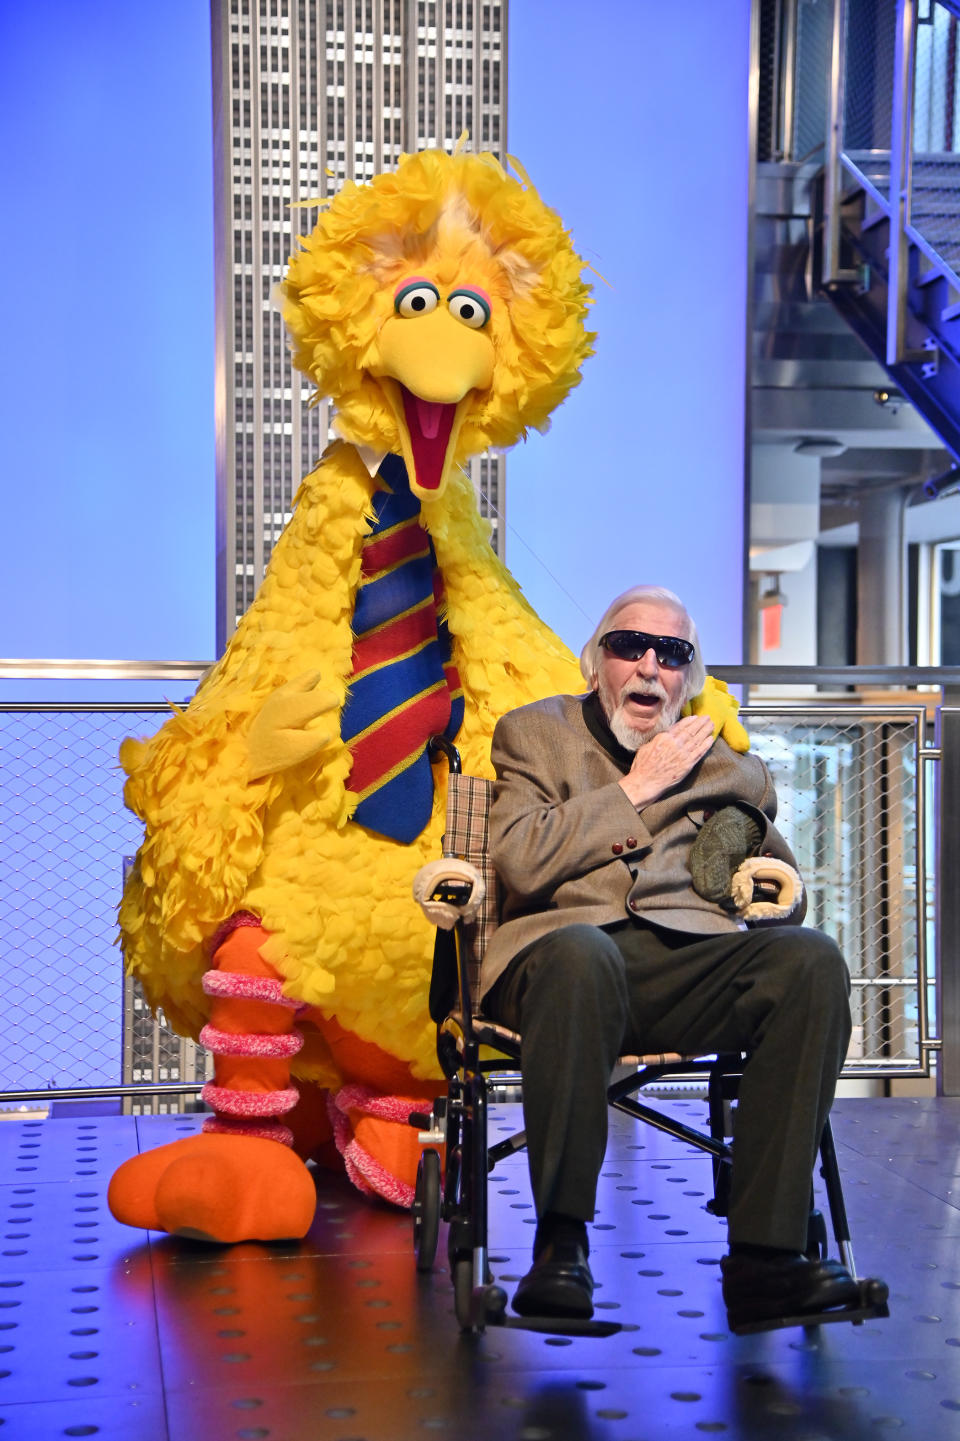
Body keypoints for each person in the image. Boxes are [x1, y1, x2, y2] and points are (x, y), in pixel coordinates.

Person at [481, 585, 876, 1329]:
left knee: (810, 962)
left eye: (673, 654)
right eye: (631, 645)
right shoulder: (534, 733)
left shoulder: (726, 764)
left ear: (689, 679)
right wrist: (639, 786)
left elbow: (784, 891)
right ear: (596, 661)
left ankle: (767, 1258)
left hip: (682, 963)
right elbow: (522, 863)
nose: (650, 666)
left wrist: (765, 885)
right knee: (581, 955)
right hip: (558, 962)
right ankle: (560, 1243)